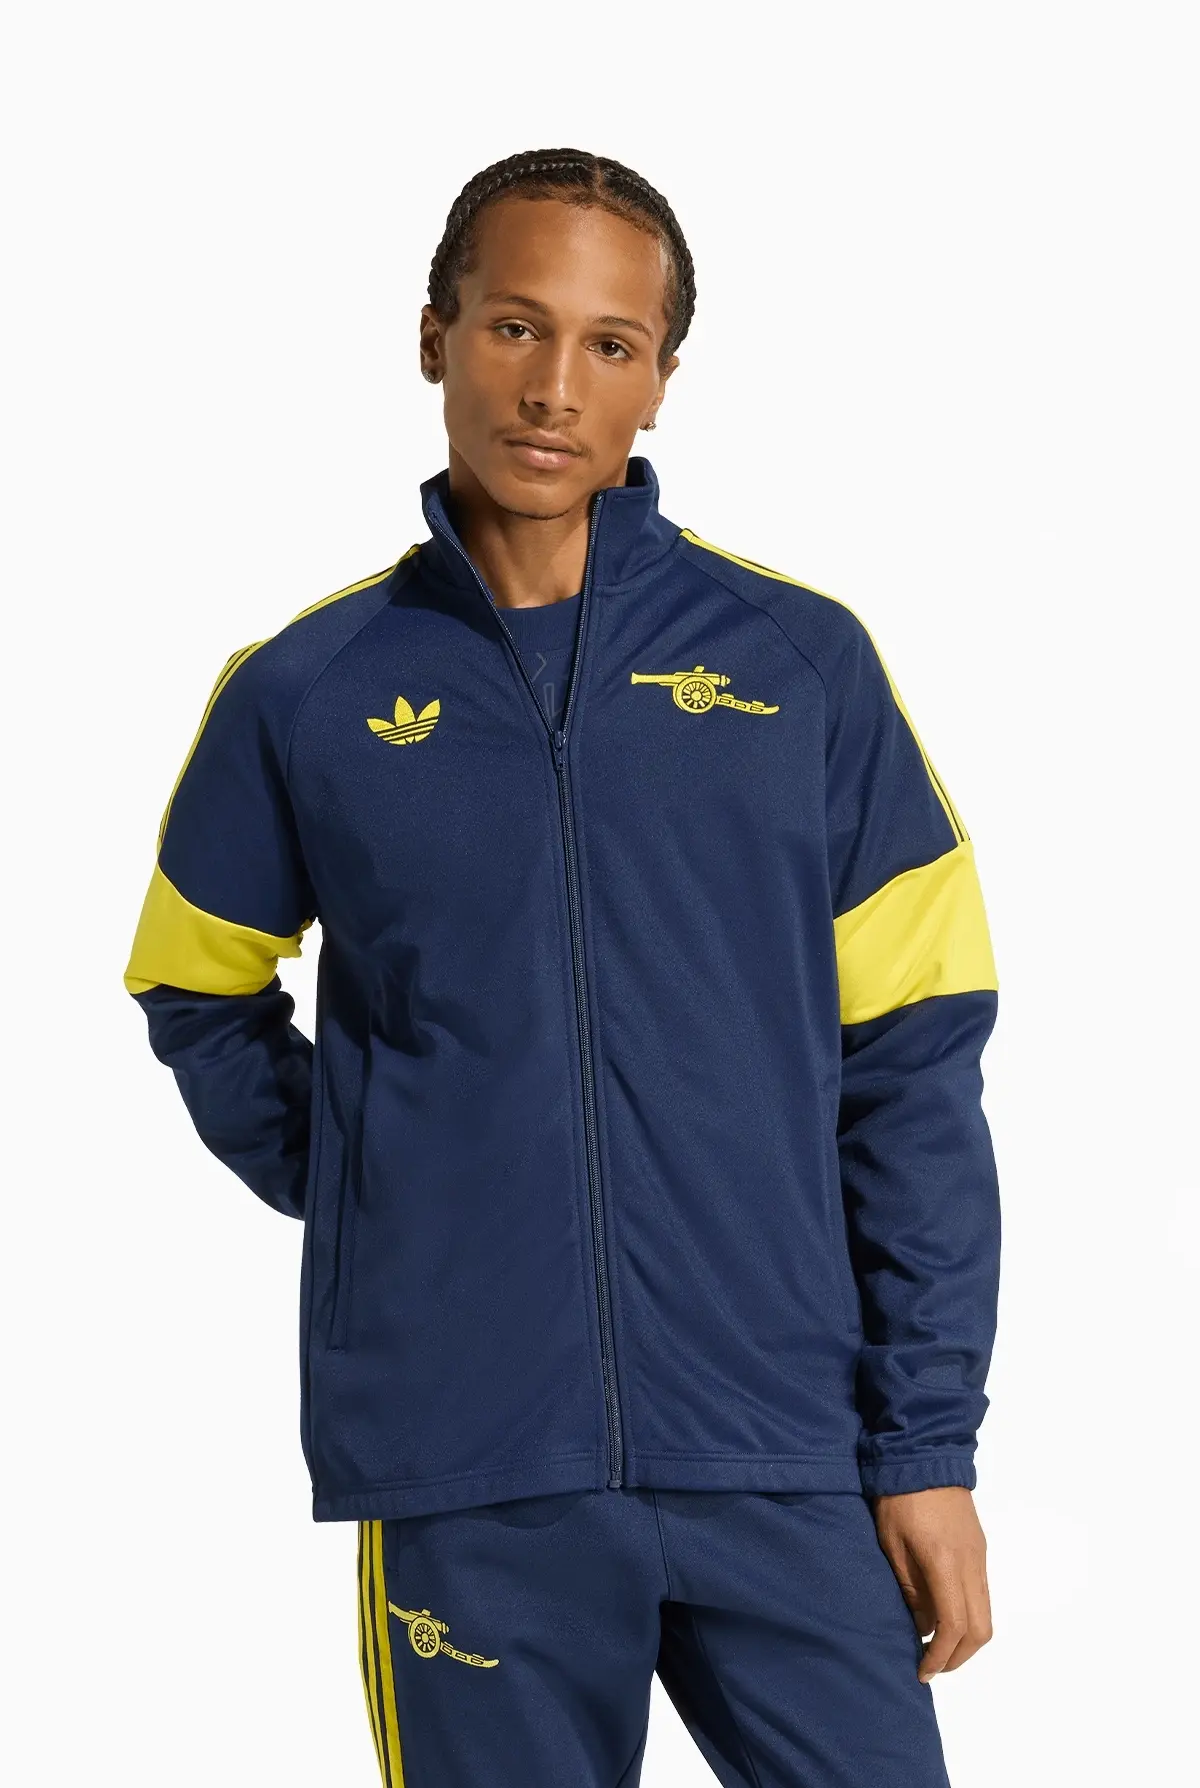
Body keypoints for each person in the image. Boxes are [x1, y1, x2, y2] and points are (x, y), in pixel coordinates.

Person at [124, 147, 1001, 1787]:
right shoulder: (308, 692)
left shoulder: (800, 668)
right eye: (516, 326)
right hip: (473, 1470)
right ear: (436, 336)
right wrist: (388, 1189)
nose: (554, 387)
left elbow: (915, 1068)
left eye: (612, 344)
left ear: (661, 381)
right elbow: (195, 984)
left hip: (784, 1447)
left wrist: (926, 1446)